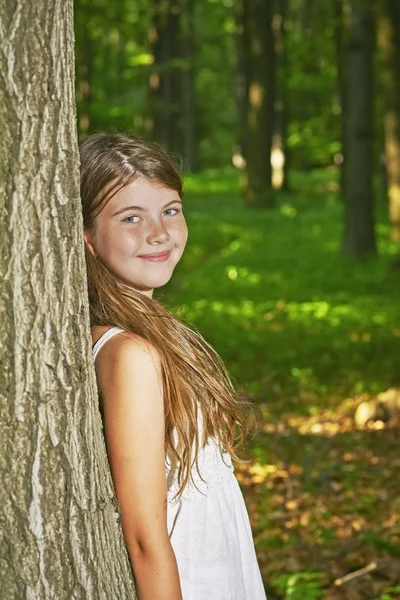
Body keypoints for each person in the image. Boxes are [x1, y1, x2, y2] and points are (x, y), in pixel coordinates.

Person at [80, 132, 266, 600]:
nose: (159, 232)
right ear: (86, 237)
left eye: (170, 209)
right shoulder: (132, 356)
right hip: (191, 578)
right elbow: (145, 538)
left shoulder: (145, 330)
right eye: (130, 217)